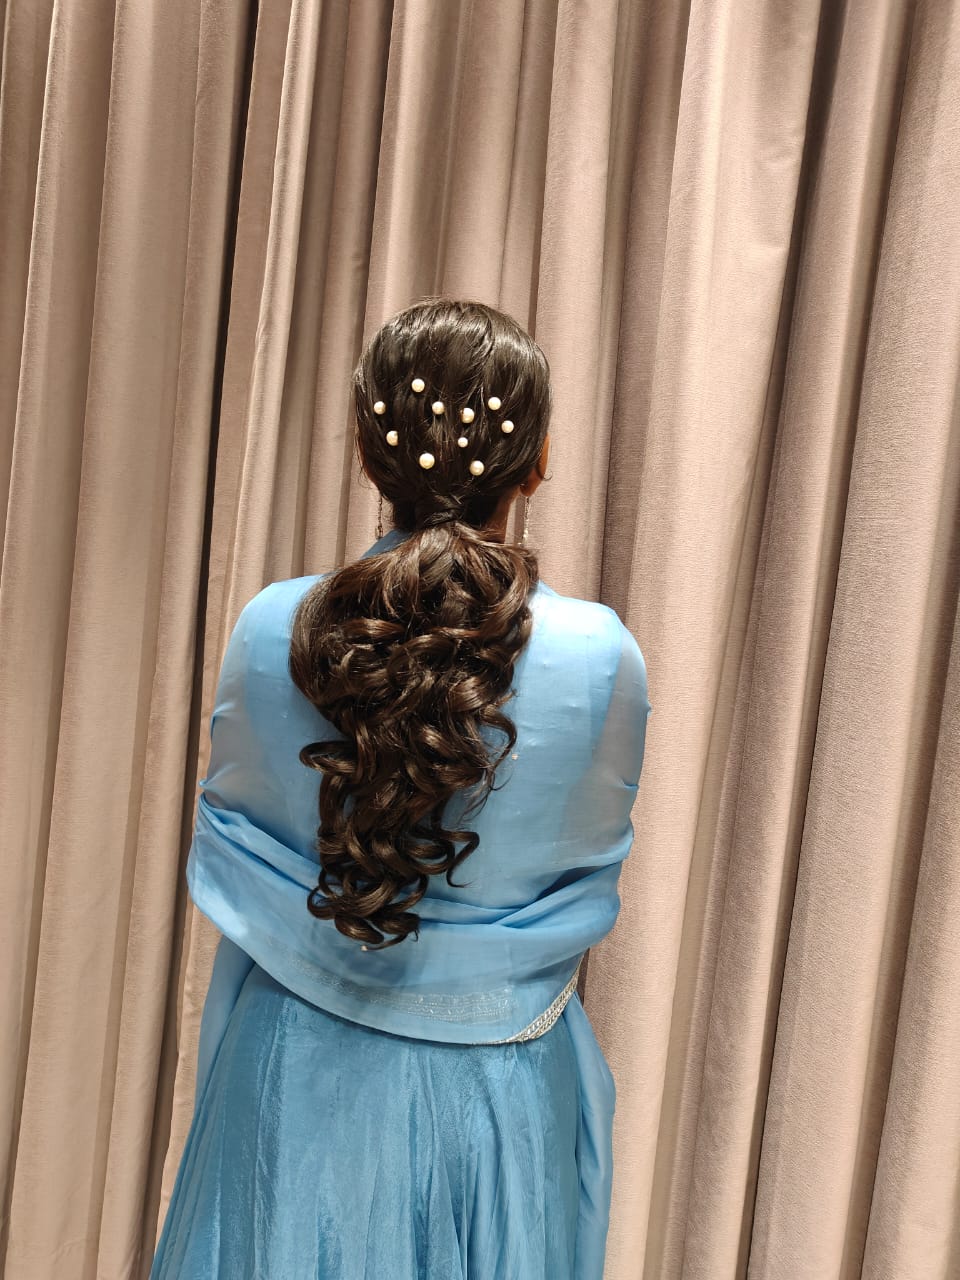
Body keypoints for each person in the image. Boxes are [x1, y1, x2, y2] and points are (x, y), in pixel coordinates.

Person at [150, 297, 652, 1279]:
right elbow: (585, 856)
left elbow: (243, 840)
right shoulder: (603, 658)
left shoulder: (274, 627)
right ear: (538, 460)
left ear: (366, 452)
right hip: (497, 1089)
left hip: (295, 1068)